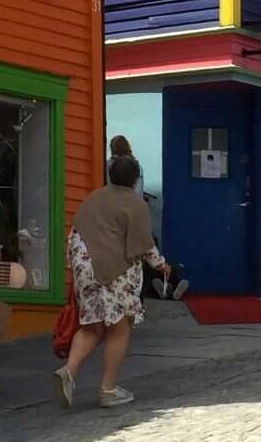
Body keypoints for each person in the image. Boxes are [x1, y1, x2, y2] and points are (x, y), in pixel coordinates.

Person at [56, 155, 173, 410]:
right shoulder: (134, 203)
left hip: (84, 268)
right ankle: (108, 390)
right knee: (119, 328)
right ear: (134, 179)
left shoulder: (93, 198)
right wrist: (161, 265)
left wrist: (78, 270)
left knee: (92, 326)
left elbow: (75, 234)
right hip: (115, 270)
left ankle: (69, 371)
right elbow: (144, 243)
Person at [111, 134, 187, 301]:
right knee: (142, 254)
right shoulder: (136, 167)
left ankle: (160, 286)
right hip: (133, 217)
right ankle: (169, 281)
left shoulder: (109, 166)